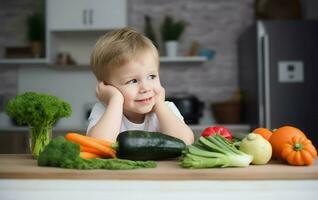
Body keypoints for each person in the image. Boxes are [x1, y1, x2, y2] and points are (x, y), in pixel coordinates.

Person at [87, 27, 194, 145]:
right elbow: (99, 145)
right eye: (133, 81)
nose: (146, 88)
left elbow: (185, 141)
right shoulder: (104, 110)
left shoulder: (166, 108)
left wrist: (159, 104)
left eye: (151, 76)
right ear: (106, 86)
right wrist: (115, 100)